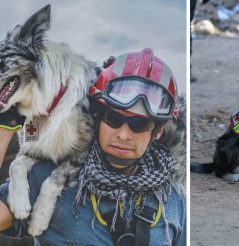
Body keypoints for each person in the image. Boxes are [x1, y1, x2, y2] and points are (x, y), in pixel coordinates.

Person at [0, 48, 186, 246]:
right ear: (97, 118)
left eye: (139, 125)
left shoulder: (173, 199)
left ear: (157, 131)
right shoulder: (43, 176)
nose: (123, 135)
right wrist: (6, 126)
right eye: (113, 119)